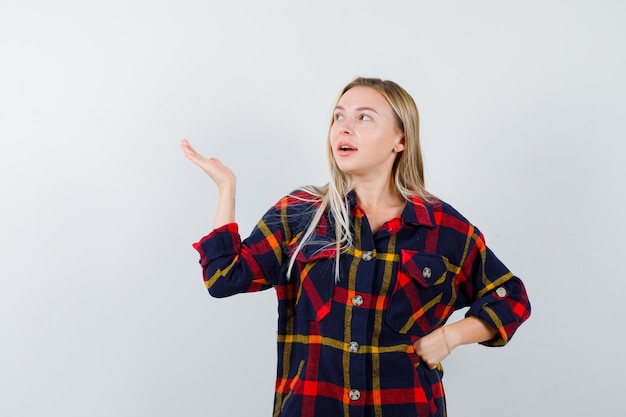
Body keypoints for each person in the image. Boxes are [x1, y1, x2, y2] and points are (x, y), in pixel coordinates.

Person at [181, 77, 531, 417]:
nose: (343, 128)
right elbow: (224, 277)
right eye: (338, 116)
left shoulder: (443, 227)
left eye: (363, 117)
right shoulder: (301, 213)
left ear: (400, 140)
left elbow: (510, 297)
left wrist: (451, 336)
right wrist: (226, 187)